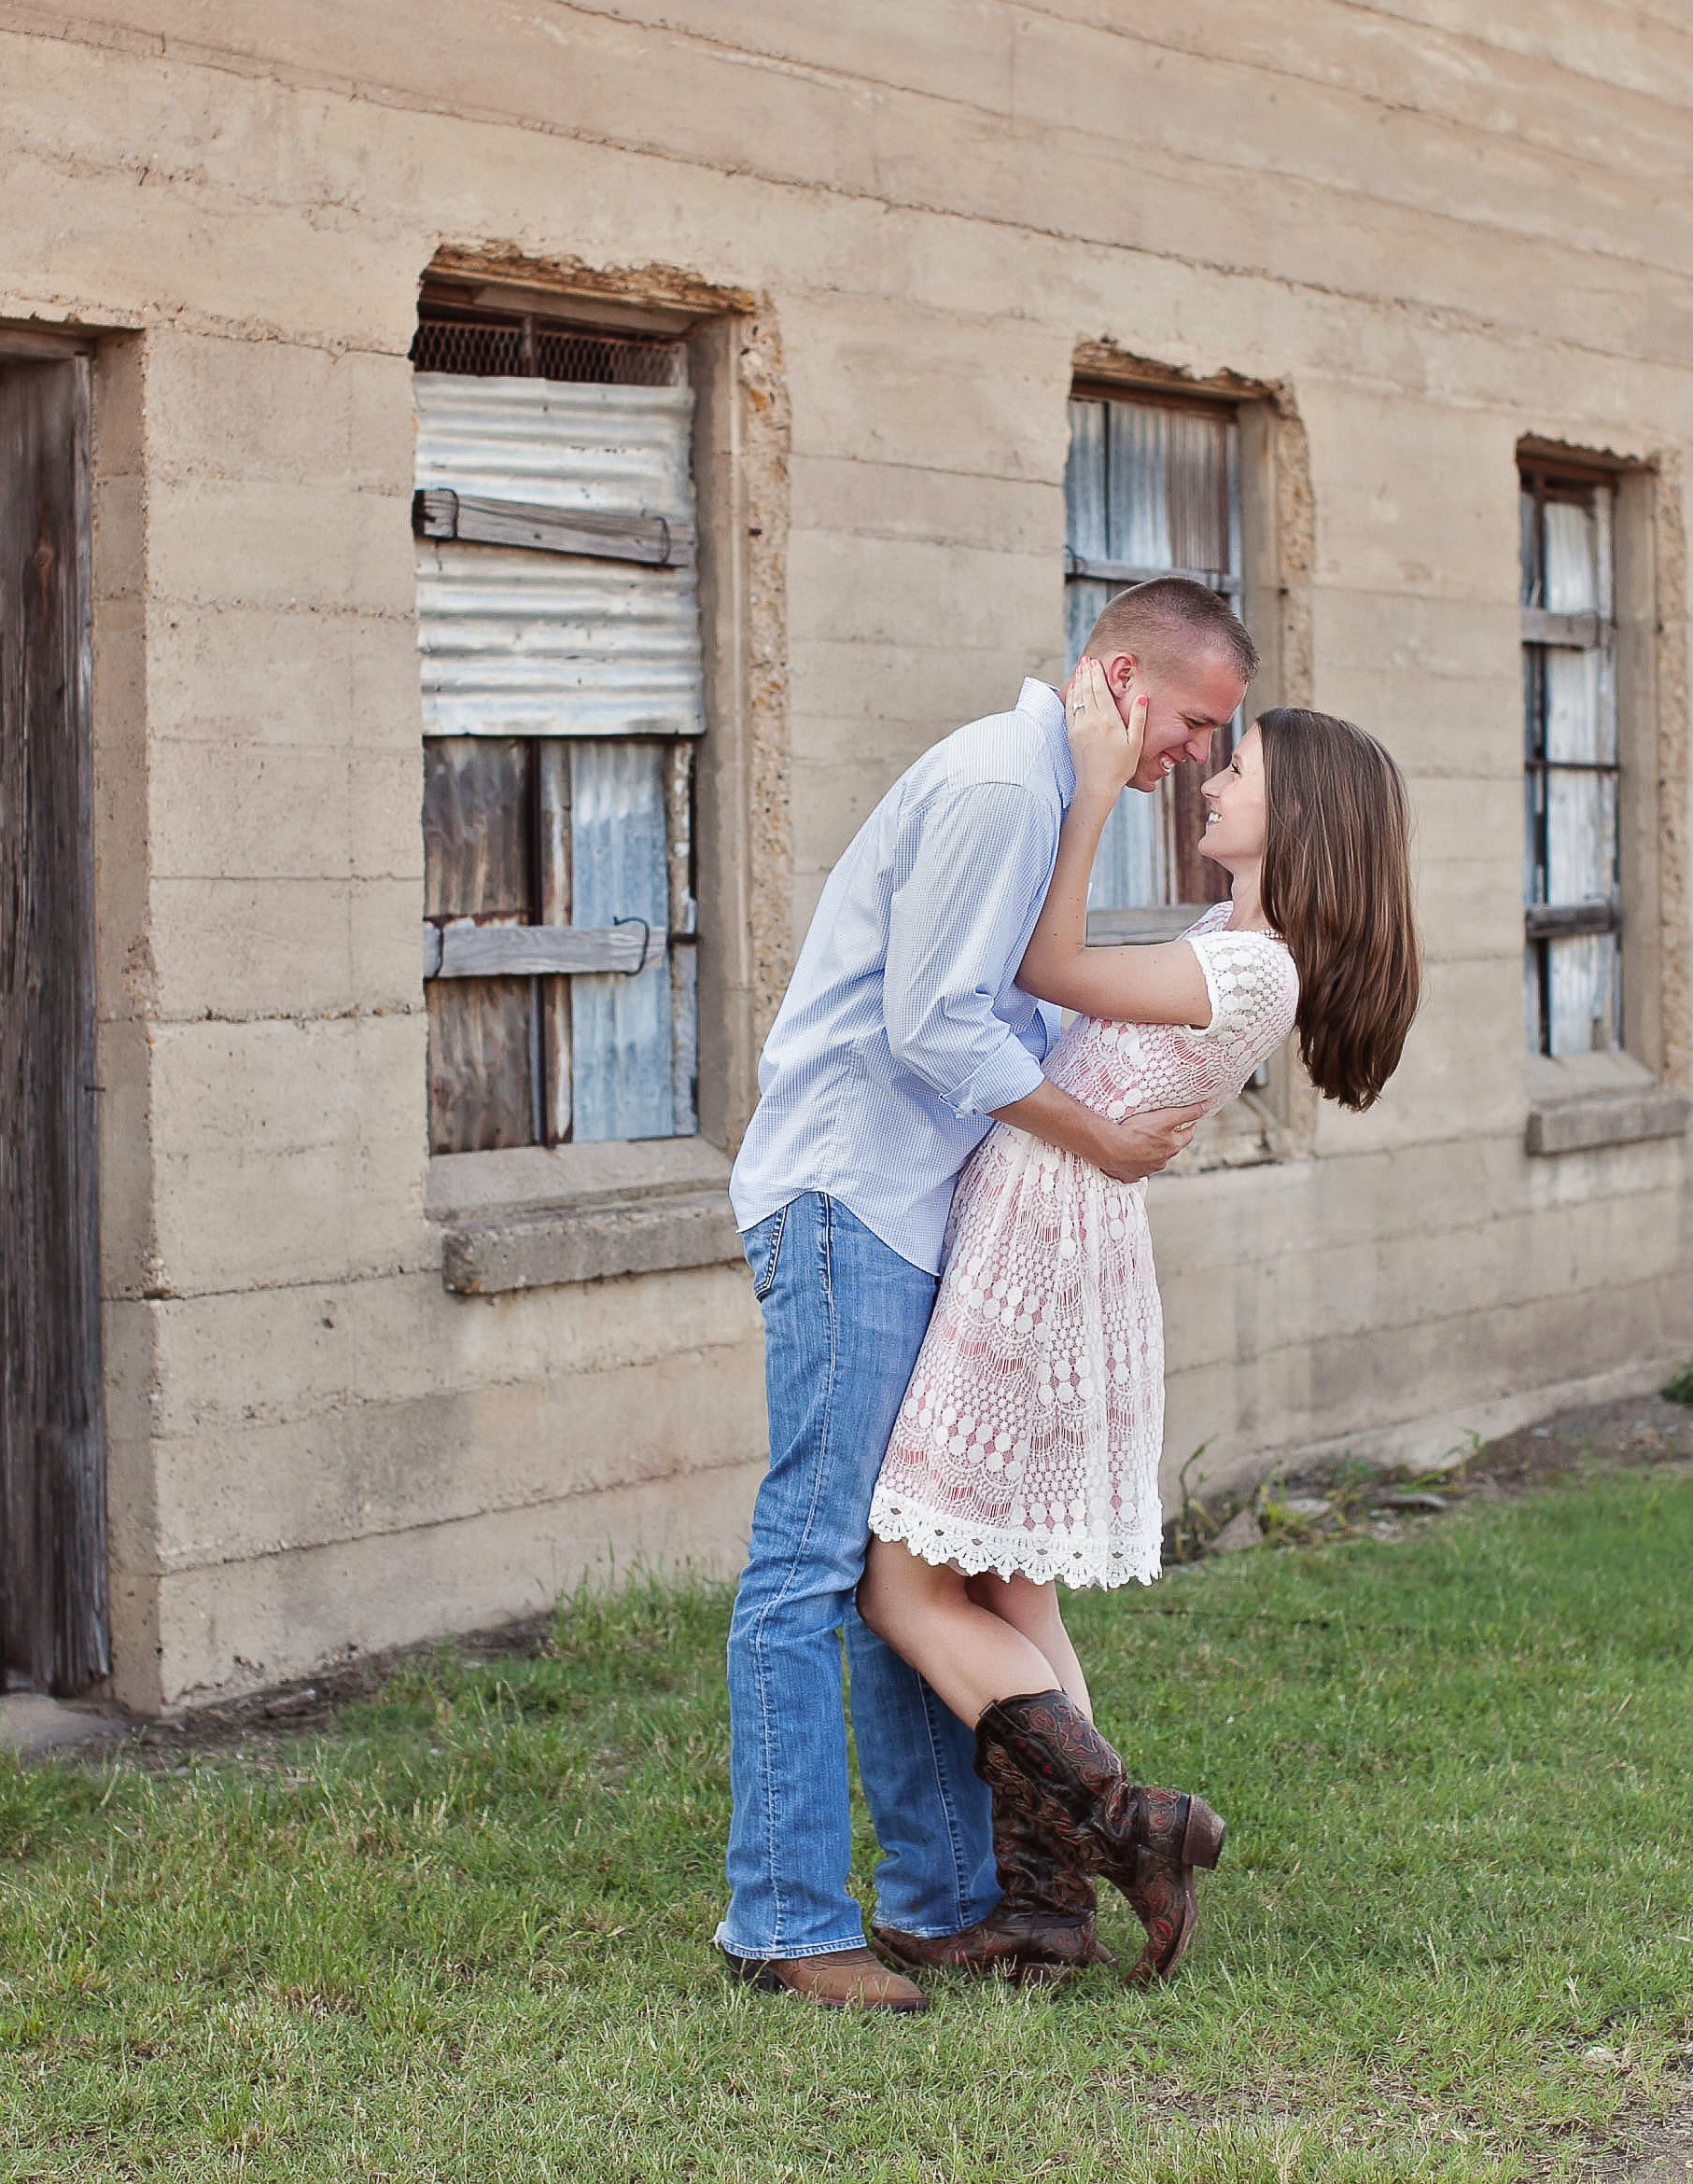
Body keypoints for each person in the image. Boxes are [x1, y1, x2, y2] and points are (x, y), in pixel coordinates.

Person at [718, 580, 1252, 2012]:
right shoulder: (998, 786)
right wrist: (1100, 1140)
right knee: (811, 1569)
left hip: (910, 1208)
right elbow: (933, 1016)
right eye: (1195, 723)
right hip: (851, 1201)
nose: (1194, 757)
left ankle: (957, 1902)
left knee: (917, 1556)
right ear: (1124, 676)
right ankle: (782, 1924)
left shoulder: (1045, 790)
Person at [860, 665, 1423, 1986]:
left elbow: (1041, 961)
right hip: (1052, 1231)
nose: (1214, 782)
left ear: (1303, 821)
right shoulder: (1230, 951)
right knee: (1008, 1580)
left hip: (1038, 1253)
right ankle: (1050, 1918)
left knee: (899, 1584)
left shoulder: (1245, 970)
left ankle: (1127, 1826)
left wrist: (1099, 786)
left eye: (1244, 775)